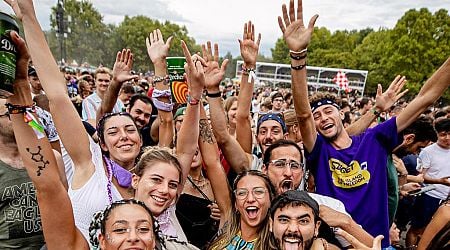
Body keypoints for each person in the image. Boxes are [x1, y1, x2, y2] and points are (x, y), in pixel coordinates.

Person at [277, 0, 450, 247]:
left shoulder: (375, 139)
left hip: (375, 244)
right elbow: (303, 114)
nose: (323, 118)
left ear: (341, 115)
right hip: (334, 244)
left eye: (328, 111)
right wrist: (298, 56)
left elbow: (425, 99)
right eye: (318, 116)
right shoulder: (319, 152)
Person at [407, 118, 450, 247]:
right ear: (437, 134)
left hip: (445, 198)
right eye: (443, 134)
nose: (447, 138)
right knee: (417, 229)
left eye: (449, 134)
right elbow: (420, 176)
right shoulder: (427, 151)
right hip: (428, 196)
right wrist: (440, 181)